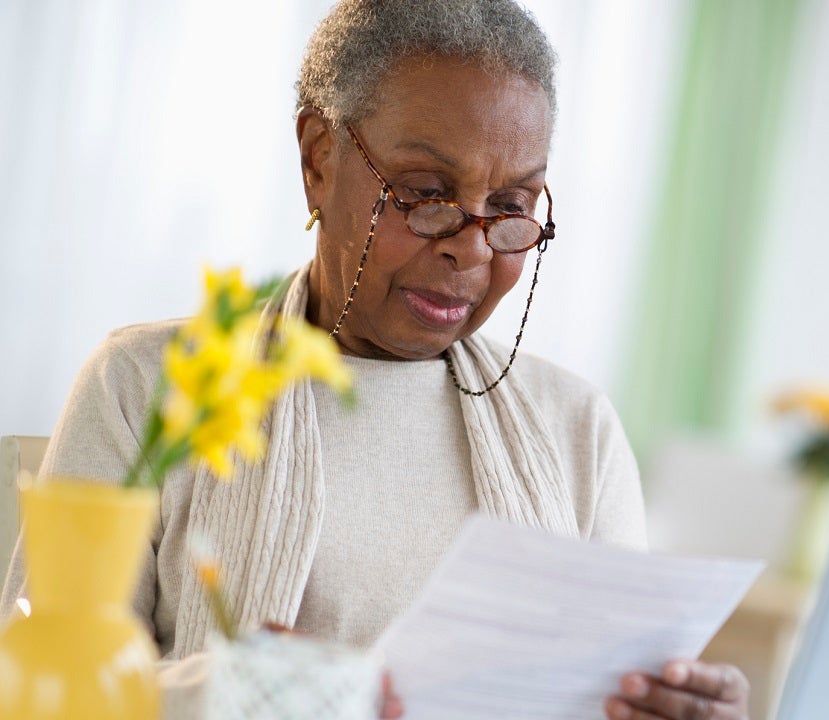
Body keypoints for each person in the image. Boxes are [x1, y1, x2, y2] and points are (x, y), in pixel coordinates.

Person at [0, 1, 751, 719]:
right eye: (425, 194)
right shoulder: (147, 388)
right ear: (319, 160)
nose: (472, 245)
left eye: (513, 207)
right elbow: (36, 691)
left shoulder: (577, 430)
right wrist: (236, 695)